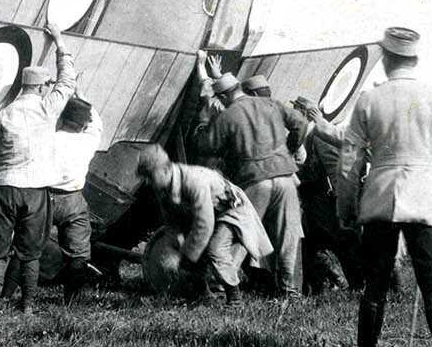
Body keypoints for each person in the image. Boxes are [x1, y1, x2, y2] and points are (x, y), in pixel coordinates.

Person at [336, 26, 432, 347]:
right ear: (415, 58)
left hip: (380, 198)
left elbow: (348, 164)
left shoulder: (368, 100)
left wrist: (346, 208)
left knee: (375, 286)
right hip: (426, 197)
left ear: (386, 58)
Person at [0, 20, 74, 319]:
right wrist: (58, 41)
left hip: (3, 187)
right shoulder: (47, 108)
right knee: (30, 251)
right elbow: (68, 81)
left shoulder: (3, 114)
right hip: (35, 190)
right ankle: (27, 307)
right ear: (43, 86)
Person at [193, 63, 308, 298]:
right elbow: (301, 124)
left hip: (255, 180)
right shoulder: (271, 104)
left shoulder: (228, 115)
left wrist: (204, 121)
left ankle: (223, 288)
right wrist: (288, 150)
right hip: (286, 178)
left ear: (224, 96)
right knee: (288, 235)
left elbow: (206, 146)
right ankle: (289, 290)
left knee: (239, 232)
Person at [135, 145, 273, 307]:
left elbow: (204, 224)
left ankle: (235, 299)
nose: (148, 182)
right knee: (193, 253)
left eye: (150, 176)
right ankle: (203, 295)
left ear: (165, 170)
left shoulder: (194, 181)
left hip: (233, 211)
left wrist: (187, 256)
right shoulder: (163, 189)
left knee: (215, 249)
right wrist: (176, 248)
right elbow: (173, 223)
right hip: (211, 215)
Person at [292, 97, 363, 292]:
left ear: (305, 115)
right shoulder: (316, 134)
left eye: (295, 111)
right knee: (317, 243)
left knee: (338, 242)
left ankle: (352, 283)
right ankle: (326, 283)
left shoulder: (319, 137)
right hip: (322, 197)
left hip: (325, 198)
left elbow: (328, 169)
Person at [47, 95, 103, 305]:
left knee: (28, 247)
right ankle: (71, 303)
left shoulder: (47, 138)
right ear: (83, 124)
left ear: (62, 119)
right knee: (78, 253)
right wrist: (79, 94)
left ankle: (12, 297)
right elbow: (96, 123)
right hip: (72, 199)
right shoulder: (88, 141)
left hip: (44, 196)